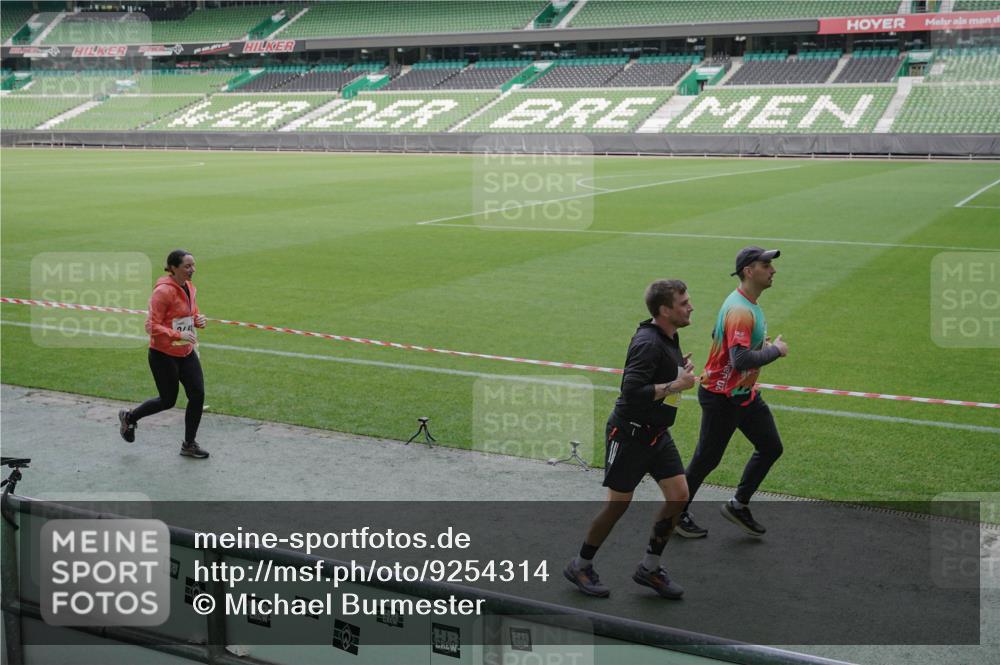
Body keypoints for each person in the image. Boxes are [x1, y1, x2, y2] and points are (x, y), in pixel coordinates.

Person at [564, 280, 697, 600]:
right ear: (665, 310)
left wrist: (678, 372)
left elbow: (659, 378)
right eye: (683, 303)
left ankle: (649, 568)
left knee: (679, 495)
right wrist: (677, 385)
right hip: (629, 434)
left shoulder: (670, 334)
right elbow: (632, 392)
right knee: (617, 506)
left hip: (656, 435)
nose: (690, 307)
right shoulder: (647, 343)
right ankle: (580, 565)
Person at [676, 247, 788, 539]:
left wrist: (758, 352)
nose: (772, 270)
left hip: (743, 395)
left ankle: (738, 505)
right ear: (749, 271)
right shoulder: (740, 309)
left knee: (771, 447)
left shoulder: (745, 303)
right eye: (766, 265)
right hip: (721, 398)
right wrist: (774, 351)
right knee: (706, 459)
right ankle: (674, 514)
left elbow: (719, 339)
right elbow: (739, 359)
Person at [118, 249, 209, 459]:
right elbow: (151, 326)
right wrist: (178, 334)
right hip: (163, 354)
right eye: (187, 266)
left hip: (185, 351)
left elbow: (189, 313)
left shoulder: (189, 287)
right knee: (168, 400)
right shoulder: (163, 292)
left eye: (193, 265)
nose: (192, 269)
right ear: (173, 268)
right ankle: (130, 418)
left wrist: (197, 320)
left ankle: (189, 444)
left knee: (197, 394)